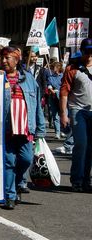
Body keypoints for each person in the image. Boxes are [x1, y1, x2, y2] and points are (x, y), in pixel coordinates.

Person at [1, 46, 46, 209]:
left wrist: (40, 129)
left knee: (26, 159)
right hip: (7, 129)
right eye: (3, 58)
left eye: (8, 58)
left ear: (17, 59)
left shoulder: (28, 79)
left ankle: (19, 181)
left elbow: (37, 107)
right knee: (9, 162)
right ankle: (10, 196)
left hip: (25, 129)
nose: (4, 61)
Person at [59, 38, 92, 193]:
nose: (89, 55)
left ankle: (86, 179)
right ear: (82, 51)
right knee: (82, 144)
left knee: (90, 147)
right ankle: (76, 179)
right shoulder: (72, 68)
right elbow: (64, 93)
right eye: (87, 51)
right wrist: (63, 114)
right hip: (77, 110)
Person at [47, 62, 63, 139]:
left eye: (55, 67)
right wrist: (51, 89)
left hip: (61, 97)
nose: (53, 69)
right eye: (53, 67)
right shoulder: (50, 77)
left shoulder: (63, 76)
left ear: (59, 68)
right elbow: (49, 85)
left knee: (63, 113)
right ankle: (57, 133)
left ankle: (63, 130)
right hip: (53, 97)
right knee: (55, 115)